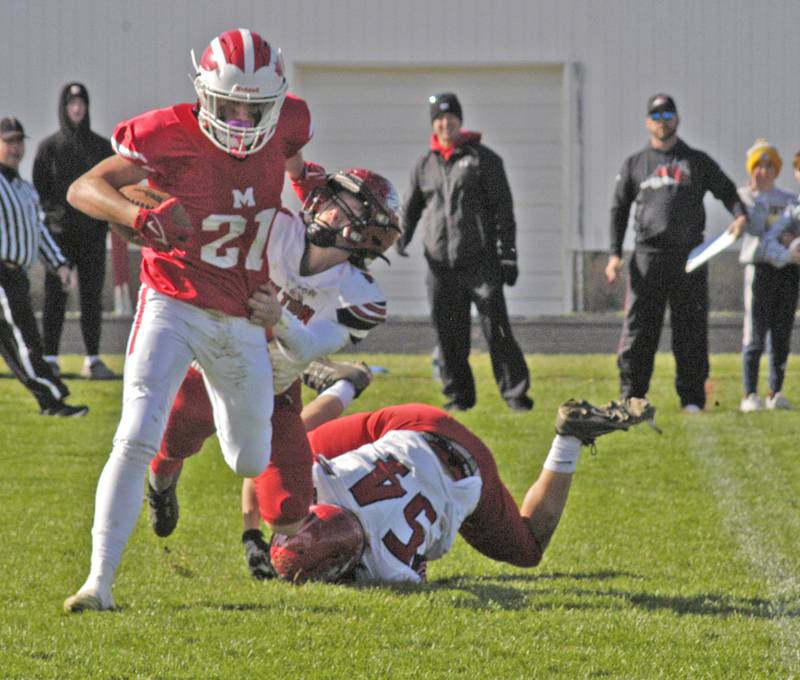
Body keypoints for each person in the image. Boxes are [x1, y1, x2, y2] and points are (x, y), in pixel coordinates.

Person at [63, 28, 314, 613]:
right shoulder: (167, 134)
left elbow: (294, 159)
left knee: (250, 457)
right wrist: (135, 216)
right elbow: (84, 187)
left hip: (240, 315)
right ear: (204, 93)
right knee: (134, 433)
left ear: (276, 103)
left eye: (257, 108)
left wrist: (313, 187)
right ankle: (98, 582)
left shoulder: (291, 123)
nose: (244, 119)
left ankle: (175, 461)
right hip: (171, 298)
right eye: (230, 104)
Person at [146, 168, 399, 548]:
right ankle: (161, 485)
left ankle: (277, 553)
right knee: (172, 444)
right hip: (214, 364)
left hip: (273, 389)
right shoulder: (279, 228)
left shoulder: (360, 295)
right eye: (330, 199)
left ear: (366, 231)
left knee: (288, 510)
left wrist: (278, 318)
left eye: (341, 206)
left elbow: (310, 349)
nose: (326, 208)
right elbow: (286, 168)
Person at [265, 396, 656, 584]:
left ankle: (569, 439)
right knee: (283, 444)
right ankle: (342, 385)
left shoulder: (389, 569)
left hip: (468, 470)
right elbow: (279, 464)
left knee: (528, 549)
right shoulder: (323, 482)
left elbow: (410, 576)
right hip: (413, 422)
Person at [605, 94, 748, 413]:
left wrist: (740, 216)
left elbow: (728, 191)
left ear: (678, 119)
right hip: (647, 257)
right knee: (640, 331)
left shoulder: (696, 161)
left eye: (668, 113)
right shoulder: (635, 164)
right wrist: (614, 255)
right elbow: (618, 209)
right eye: (656, 115)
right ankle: (632, 398)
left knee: (691, 329)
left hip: (690, 258)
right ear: (647, 122)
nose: (662, 120)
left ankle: (693, 399)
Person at [398, 92, 532, 413]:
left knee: (496, 328)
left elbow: (504, 211)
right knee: (449, 334)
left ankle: (516, 396)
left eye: (451, 118)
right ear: (434, 124)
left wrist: (508, 254)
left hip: (480, 262)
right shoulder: (424, 164)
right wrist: (399, 239)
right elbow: (410, 208)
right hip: (440, 266)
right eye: (440, 119)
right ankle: (459, 397)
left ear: (461, 120)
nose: (446, 124)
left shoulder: (484, 160)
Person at [0, 116, 88, 417]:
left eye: (18, 142)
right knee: (26, 338)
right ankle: (52, 399)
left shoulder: (24, 189)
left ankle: (50, 399)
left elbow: (38, 234)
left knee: (17, 342)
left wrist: (60, 264)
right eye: (8, 141)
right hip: (2, 275)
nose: (15, 148)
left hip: (17, 275)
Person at [33, 82, 116, 379]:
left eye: (81, 103)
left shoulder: (101, 147)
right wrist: (55, 221)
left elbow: (111, 188)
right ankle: (51, 358)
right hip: (59, 238)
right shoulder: (49, 148)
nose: (77, 108)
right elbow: (41, 190)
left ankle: (93, 359)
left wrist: (102, 222)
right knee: (55, 296)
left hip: (93, 236)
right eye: (71, 103)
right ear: (64, 107)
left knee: (91, 298)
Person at [736, 140, 800, 412]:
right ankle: (750, 393)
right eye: (758, 166)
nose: (764, 171)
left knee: (782, 331)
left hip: (787, 273)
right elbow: (752, 230)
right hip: (759, 269)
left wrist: (792, 239)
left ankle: (776, 391)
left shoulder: (789, 200)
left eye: (769, 165)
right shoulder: (745, 198)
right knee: (754, 333)